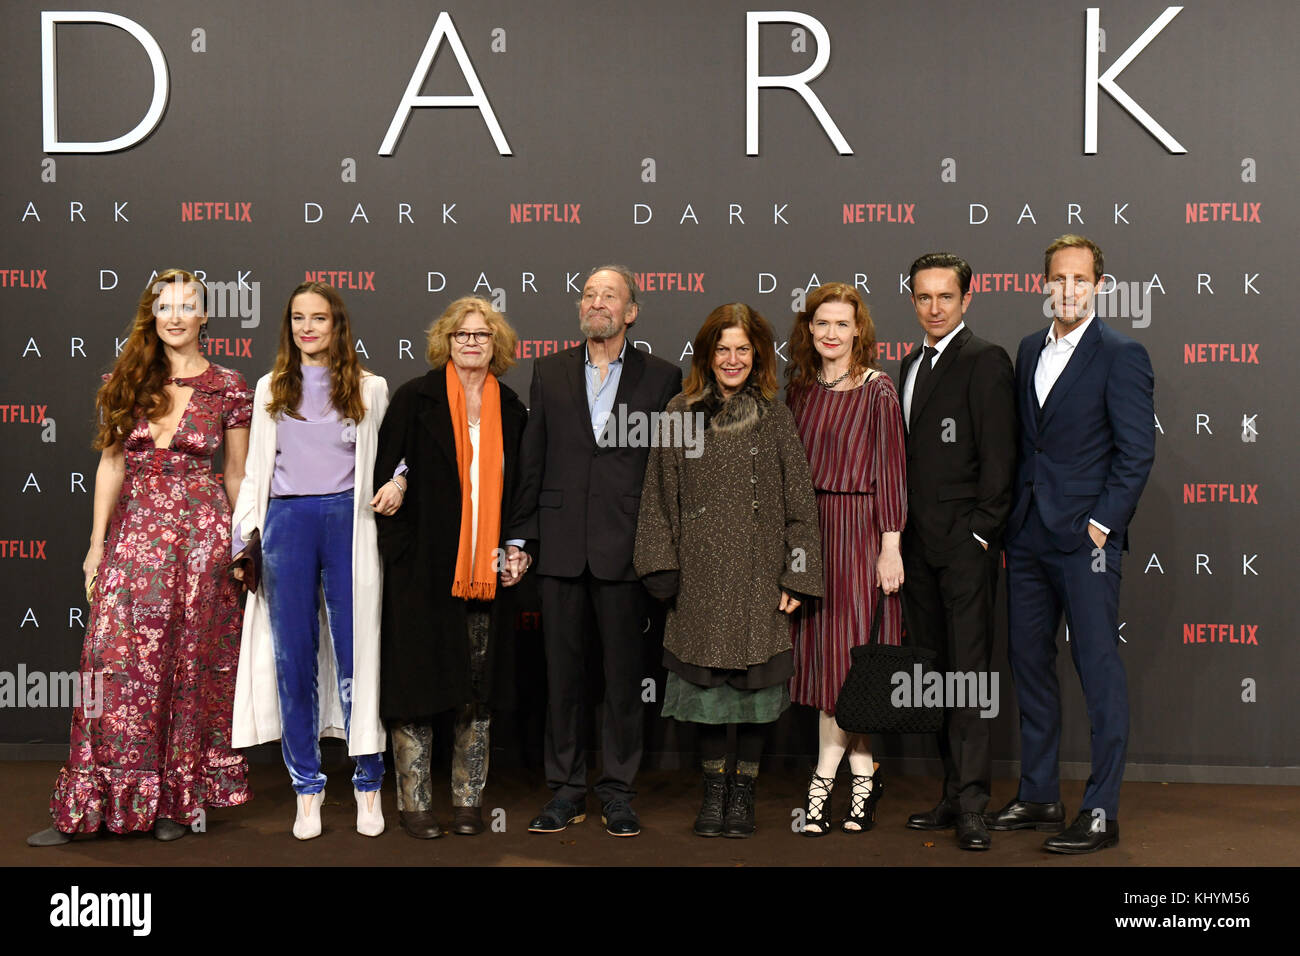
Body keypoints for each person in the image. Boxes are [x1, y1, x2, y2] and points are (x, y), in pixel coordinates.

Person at [28, 269, 252, 846]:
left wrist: (242, 546)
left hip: (201, 541)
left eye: (187, 306)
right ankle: (92, 804)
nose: (175, 316)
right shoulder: (125, 378)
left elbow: (235, 474)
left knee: (186, 663)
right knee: (113, 661)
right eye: (164, 307)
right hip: (133, 535)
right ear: (151, 316)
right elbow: (110, 465)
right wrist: (96, 544)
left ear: (206, 315)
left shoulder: (229, 385)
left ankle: (176, 802)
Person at [990, 235, 1155, 853]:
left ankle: (1100, 811)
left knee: (1097, 669)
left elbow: (1137, 451)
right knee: (1029, 664)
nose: (1067, 289)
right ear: (1045, 285)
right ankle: (1038, 794)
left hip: (1087, 540)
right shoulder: (1030, 348)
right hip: (1028, 535)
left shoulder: (1122, 353)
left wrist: (1102, 523)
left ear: (1098, 286)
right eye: (1057, 278)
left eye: (1079, 279)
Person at [636, 303, 822, 838]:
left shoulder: (775, 415)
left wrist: (798, 575)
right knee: (710, 700)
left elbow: (800, 506)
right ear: (707, 354)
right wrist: (660, 568)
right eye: (723, 349)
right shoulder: (680, 412)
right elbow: (656, 499)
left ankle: (743, 798)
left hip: (762, 583)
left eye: (744, 349)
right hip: (698, 583)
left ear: (758, 355)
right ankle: (713, 795)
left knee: (754, 699)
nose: (733, 359)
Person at [511, 265, 681, 837]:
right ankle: (565, 791)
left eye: (610, 296)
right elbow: (533, 459)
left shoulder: (662, 378)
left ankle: (618, 791)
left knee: (623, 681)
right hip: (559, 549)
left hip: (627, 549)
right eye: (588, 294)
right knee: (563, 679)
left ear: (631, 313)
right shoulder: (550, 370)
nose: (597, 303)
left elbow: (667, 474)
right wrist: (521, 537)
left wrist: (666, 545)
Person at [230, 282, 392, 840]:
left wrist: (399, 481)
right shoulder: (269, 387)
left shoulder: (371, 388)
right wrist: (244, 540)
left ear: (336, 325)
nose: (307, 328)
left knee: (357, 655)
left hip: (349, 522)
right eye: (298, 318)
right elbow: (255, 471)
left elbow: (396, 462)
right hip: (287, 525)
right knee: (293, 659)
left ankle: (368, 783)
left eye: (318, 318)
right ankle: (307, 787)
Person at [374, 296, 529, 839]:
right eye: (462, 334)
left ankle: (468, 801)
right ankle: (414, 804)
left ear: (498, 345)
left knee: (476, 689)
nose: (471, 342)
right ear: (446, 340)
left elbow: (522, 491)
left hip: (485, 574)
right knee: (415, 688)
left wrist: (517, 545)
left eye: (482, 335)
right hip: (421, 572)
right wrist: (399, 555)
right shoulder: (414, 399)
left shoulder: (511, 407)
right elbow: (387, 476)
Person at [894, 255, 1016, 851]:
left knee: (968, 676)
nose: (935, 307)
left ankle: (974, 804)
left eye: (946, 296)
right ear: (912, 301)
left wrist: (980, 535)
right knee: (936, 675)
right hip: (916, 547)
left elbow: (1000, 459)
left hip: (964, 547)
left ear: (967, 299)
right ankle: (951, 792)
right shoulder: (909, 362)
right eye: (924, 297)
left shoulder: (985, 360)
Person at [785, 283, 904, 836]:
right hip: (812, 537)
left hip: (860, 535)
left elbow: (891, 471)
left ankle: (821, 784)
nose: (832, 333)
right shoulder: (800, 391)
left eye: (842, 324)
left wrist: (890, 544)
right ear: (809, 331)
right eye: (822, 324)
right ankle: (864, 776)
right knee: (825, 665)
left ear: (860, 330)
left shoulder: (878, 390)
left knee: (850, 667)